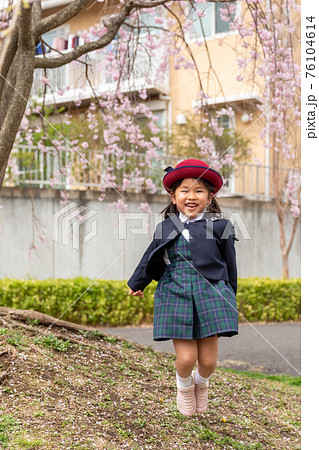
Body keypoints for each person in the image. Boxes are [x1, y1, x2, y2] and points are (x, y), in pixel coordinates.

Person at [127, 159, 239, 416]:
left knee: (209, 362)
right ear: (173, 196)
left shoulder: (220, 226)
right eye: (184, 190)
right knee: (187, 358)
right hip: (175, 290)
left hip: (211, 291)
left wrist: (231, 294)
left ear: (210, 197)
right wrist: (138, 282)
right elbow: (151, 255)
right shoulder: (166, 226)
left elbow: (230, 264)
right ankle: (184, 386)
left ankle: (201, 383)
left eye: (199, 190)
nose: (192, 196)